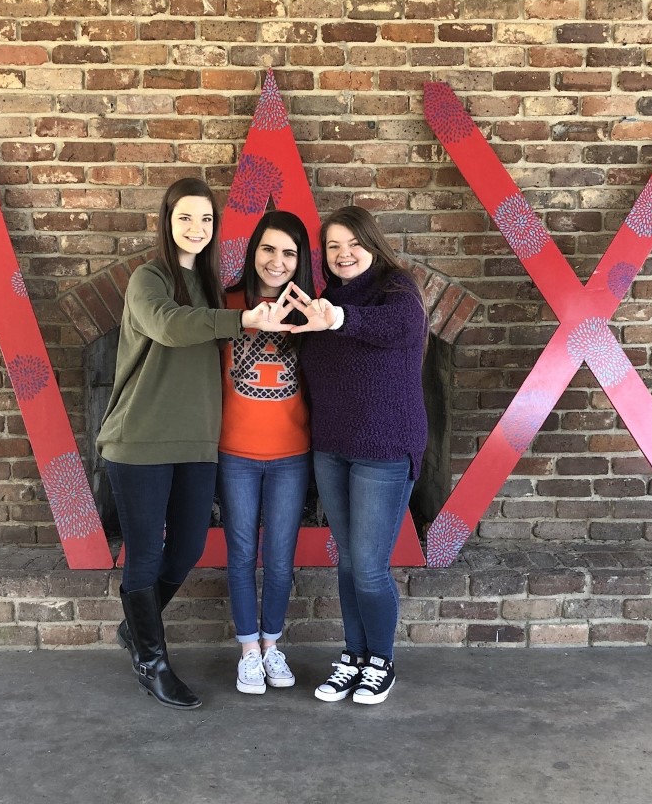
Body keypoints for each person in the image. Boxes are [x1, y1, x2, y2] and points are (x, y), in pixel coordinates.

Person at [97, 178, 276, 710]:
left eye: (205, 220)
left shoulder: (215, 287)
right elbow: (171, 327)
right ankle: (151, 661)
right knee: (146, 555)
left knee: (190, 547)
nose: (196, 229)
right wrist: (241, 320)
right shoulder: (148, 279)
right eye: (185, 218)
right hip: (139, 440)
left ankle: (136, 626)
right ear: (167, 220)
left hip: (199, 441)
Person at [286, 206, 428, 706]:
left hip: (385, 450)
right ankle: (354, 656)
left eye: (353, 244)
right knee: (348, 563)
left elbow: (395, 326)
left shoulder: (399, 291)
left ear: (372, 243)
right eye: (333, 247)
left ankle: (381, 661)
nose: (344, 254)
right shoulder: (323, 302)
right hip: (332, 448)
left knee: (369, 567)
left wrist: (338, 317)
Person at [217, 211, 315, 696]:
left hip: (291, 456)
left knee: (279, 556)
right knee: (240, 554)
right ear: (254, 251)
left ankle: (273, 643)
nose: (277, 262)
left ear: (301, 262)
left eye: (289, 253)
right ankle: (248, 651)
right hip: (234, 453)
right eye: (269, 249)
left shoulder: (311, 311)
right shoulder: (228, 304)